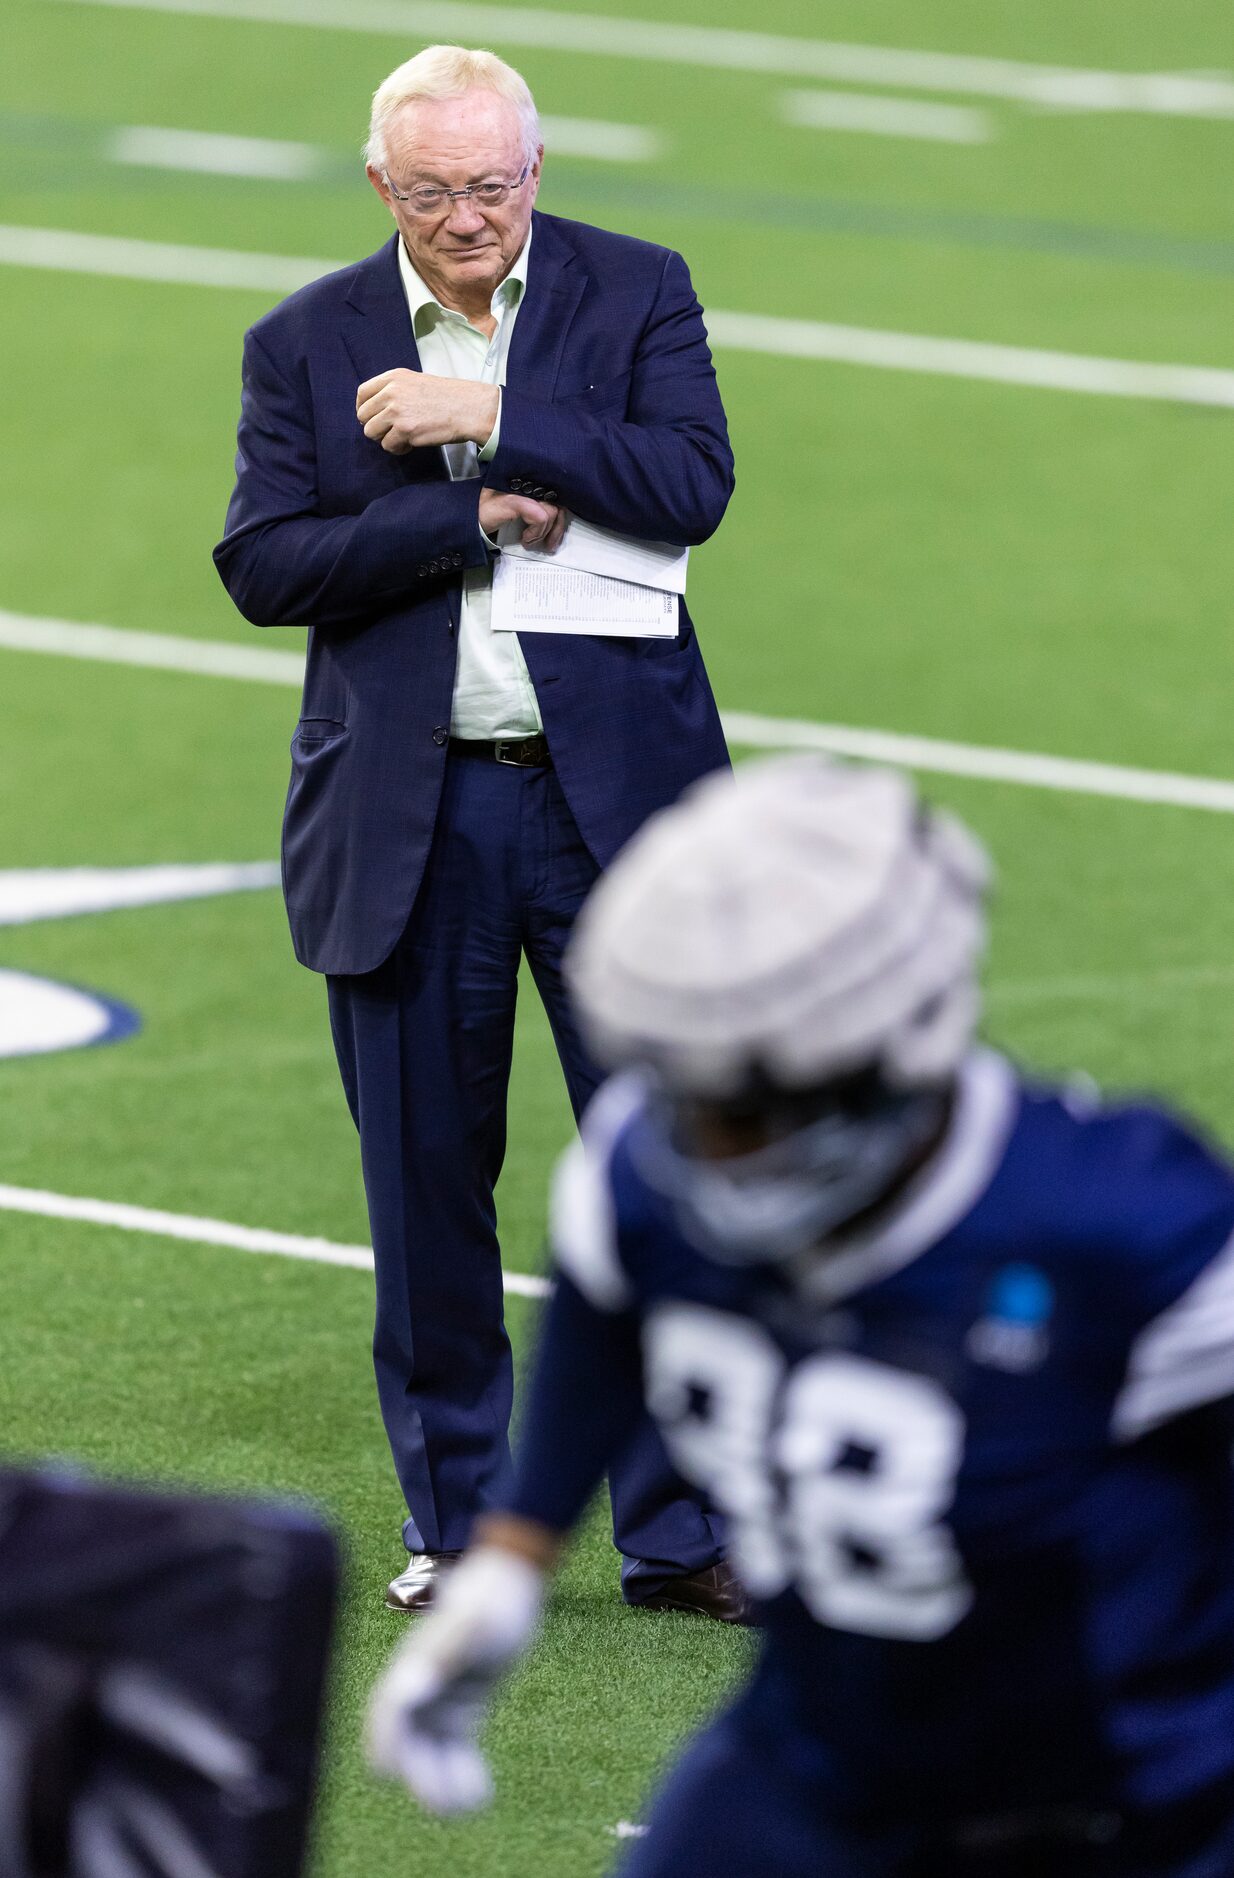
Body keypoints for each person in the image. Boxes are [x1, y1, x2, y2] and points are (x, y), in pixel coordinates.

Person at [366, 755, 1234, 1877]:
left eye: (743, 1107)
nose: (703, 1148)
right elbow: (600, 1320)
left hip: (1124, 1807)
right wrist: (514, 1556)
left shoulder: (1123, 1225)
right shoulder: (644, 1166)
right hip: (811, 1766)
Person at [213, 46, 739, 1618]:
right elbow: (264, 561)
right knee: (426, 1184)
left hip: (616, 813)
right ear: (382, 183)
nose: (469, 219)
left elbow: (692, 482)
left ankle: (684, 1532)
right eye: (435, 190)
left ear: (536, 167)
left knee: (661, 1174)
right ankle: (460, 1522)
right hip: (409, 814)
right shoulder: (304, 340)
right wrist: (468, 514)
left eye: (495, 185)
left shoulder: (635, 290)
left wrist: (493, 418)